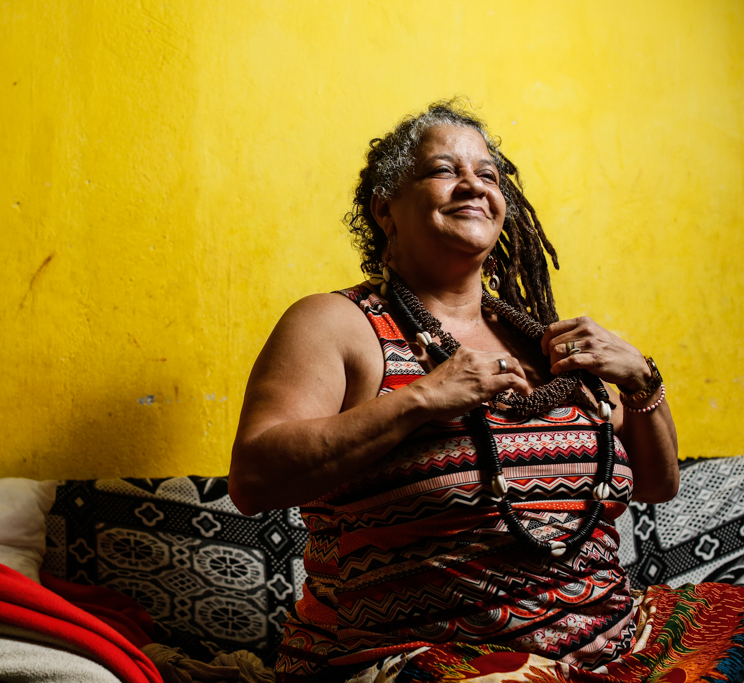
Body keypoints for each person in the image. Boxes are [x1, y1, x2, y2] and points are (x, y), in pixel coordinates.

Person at [228, 101, 742, 682]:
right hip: (419, 661)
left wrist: (642, 379)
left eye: (488, 174)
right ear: (384, 210)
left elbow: (657, 483)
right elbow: (253, 480)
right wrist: (421, 399)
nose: (472, 183)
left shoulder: (545, 342)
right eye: (443, 170)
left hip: (617, 649)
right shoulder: (338, 323)